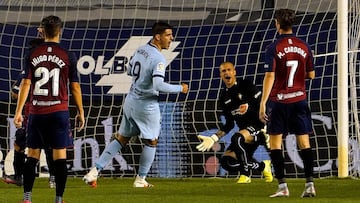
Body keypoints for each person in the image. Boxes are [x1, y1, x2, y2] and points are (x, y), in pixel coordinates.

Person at [83, 21, 188, 188]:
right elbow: (158, 85)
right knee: (151, 141)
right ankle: (141, 179)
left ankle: (94, 171)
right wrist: (180, 88)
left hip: (131, 101)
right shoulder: (159, 58)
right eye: (168, 35)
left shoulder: (140, 49)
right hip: (146, 105)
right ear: (157, 37)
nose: (171, 38)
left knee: (122, 138)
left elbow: (130, 70)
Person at [13, 15, 85, 203]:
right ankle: (59, 199)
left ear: (42, 31)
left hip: (36, 112)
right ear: (60, 31)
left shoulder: (33, 53)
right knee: (60, 156)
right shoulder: (68, 54)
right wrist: (80, 111)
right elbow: (75, 87)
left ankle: (27, 198)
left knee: (33, 155)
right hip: (58, 111)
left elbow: (26, 84)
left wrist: (19, 111)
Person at [259, 8, 316, 198]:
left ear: (277, 24)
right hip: (300, 99)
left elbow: (269, 76)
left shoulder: (273, 47)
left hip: (280, 101)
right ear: (292, 23)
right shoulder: (304, 45)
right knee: (304, 142)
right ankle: (309, 185)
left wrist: (262, 103)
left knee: (275, 143)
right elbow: (311, 75)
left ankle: (283, 186)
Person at [196, 61, 273, 184]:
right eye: (223, 71)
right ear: (220, 75)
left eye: (229, 70)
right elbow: (229, 124)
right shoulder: (224, 98)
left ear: (234, 72)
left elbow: (263, 105)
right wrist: (214, 138)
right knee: (227, 162)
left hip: (260, 129)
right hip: (244, 134)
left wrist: (267, 127)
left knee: (236, 137)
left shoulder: (246, 85)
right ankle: (263, 167)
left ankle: (246, 175)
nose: (226, 73)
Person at [3, 30, 56, 189]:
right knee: (48, 146)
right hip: (52, 112)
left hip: (33, 114)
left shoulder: (28, 69)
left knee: (21, 144)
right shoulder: (55, 65)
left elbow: (15, 92)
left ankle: (19, 176)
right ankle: (53, 179)